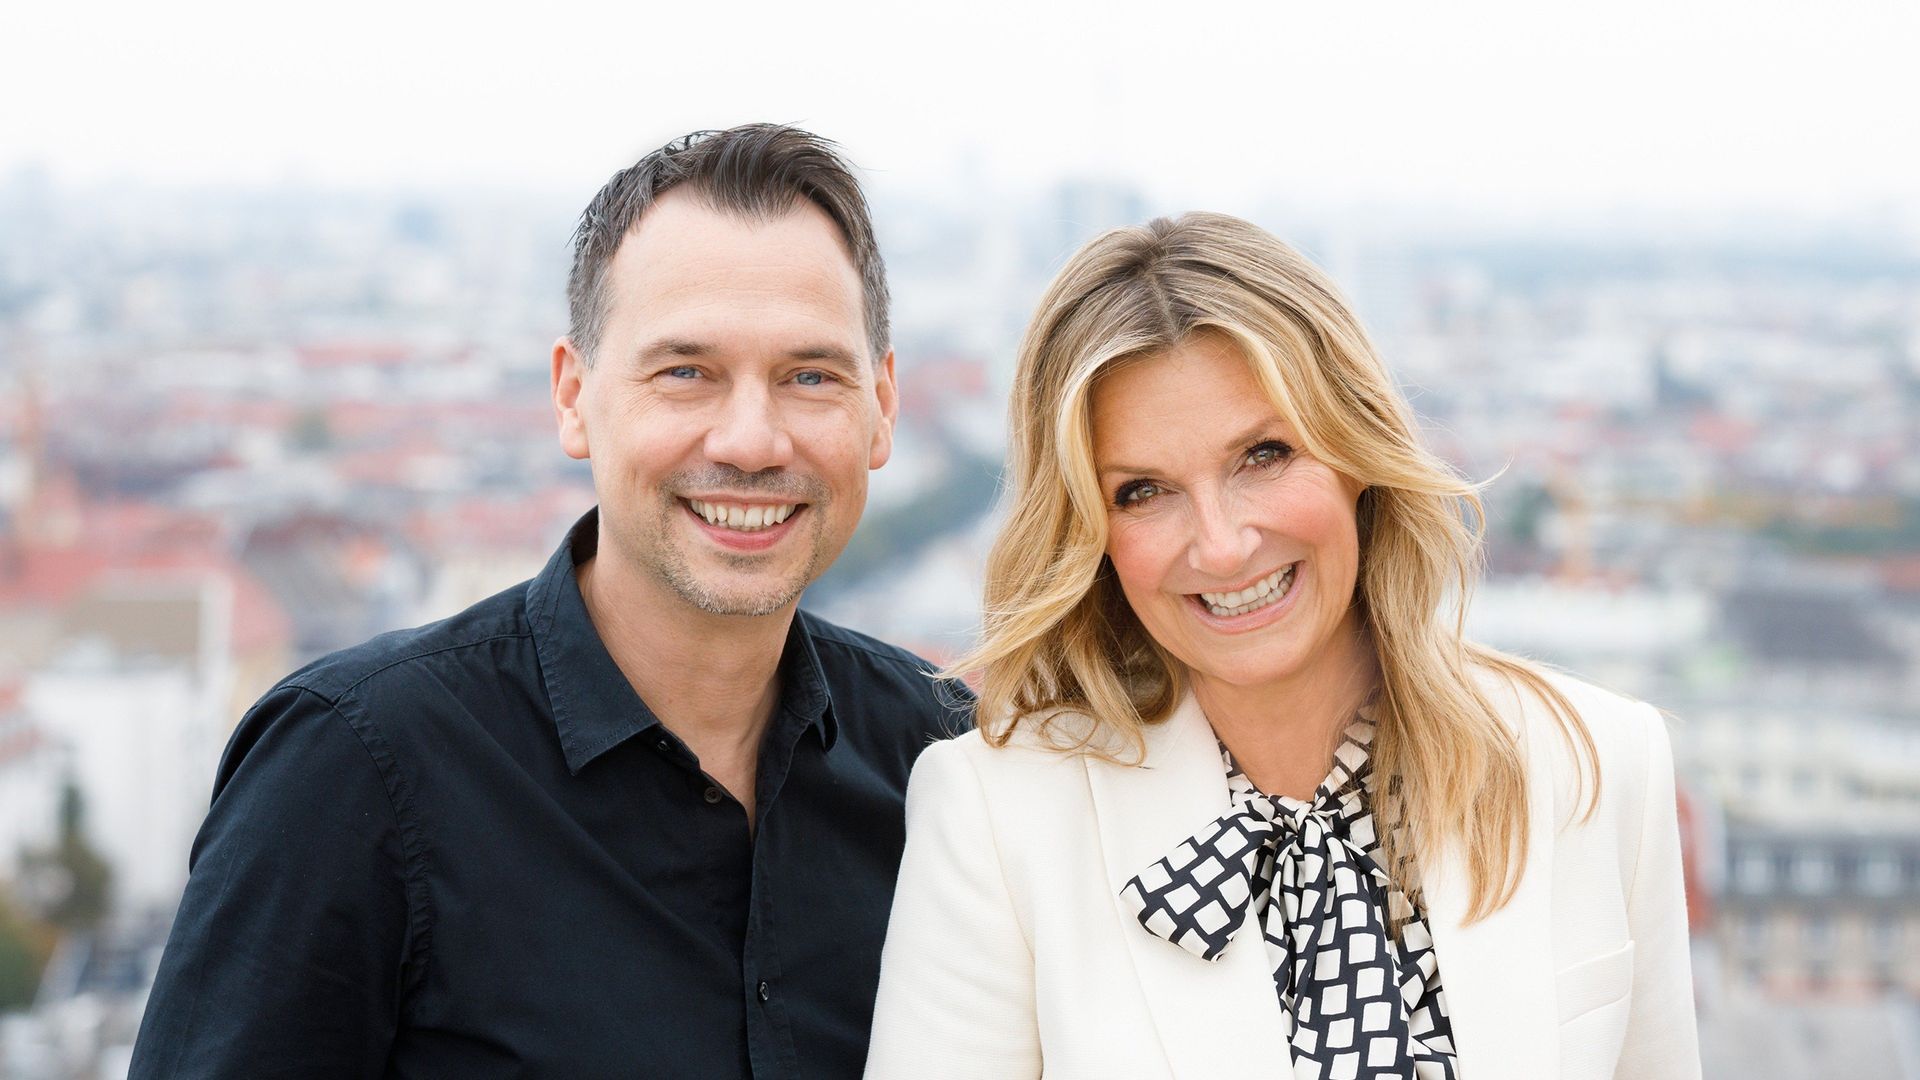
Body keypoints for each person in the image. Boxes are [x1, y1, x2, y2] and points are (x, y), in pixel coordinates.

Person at [129, 124, 968, 1079]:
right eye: (685, 373)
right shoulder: (353, 770)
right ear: (573, 396)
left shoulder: (943, 763)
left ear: (881, 407)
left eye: (810, 376)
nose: (750, 441)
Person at [865, 212, 1700, 1079]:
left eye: (1263, 455)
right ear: (1090, 532)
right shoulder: (997, 821)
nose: (1222, 546)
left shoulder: (1597, 765)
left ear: (1356, 451)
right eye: (1143, 491)